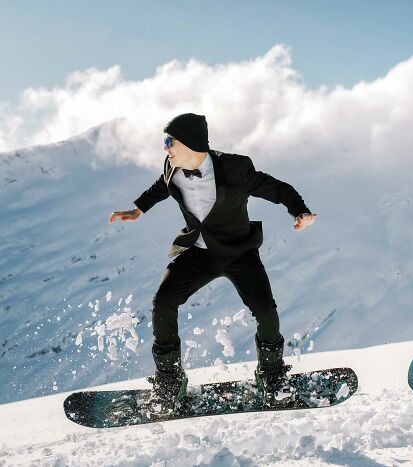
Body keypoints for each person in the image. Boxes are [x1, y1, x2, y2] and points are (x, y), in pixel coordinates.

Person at [109, 113, 317, 412]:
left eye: (169, 141)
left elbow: (278, 189)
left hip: (239, 252)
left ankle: (272, 378)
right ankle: (170, 382)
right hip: (198, 252)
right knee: (163, 302)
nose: (165, 148)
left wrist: (300, 212)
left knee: (265, 311)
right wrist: (138, 209)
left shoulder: (235, 168)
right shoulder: (172, 166)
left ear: (190, 143)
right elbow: (162, 186)